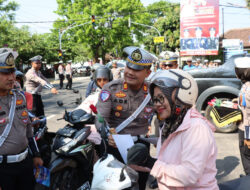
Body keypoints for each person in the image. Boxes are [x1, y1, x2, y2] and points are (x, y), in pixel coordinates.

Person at [128, 69, 218, 190]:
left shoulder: (196, 127)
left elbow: (189, 175)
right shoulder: (171, 123)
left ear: (181, 96)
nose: (157, 104)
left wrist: (151, 163)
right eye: (155, 100)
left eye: (161, 97)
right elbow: (172, 148)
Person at [96, 46, 157, 190]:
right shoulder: (110, 89)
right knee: (115, 184)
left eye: (136, 69)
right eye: (129, 67)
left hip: (140, 147)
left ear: (147, 73)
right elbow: (100, 119)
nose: (129, 72)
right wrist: (107, 134)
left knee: (140, 183)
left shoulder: (153, 91)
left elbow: (164, 117)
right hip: (115, 146)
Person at [0, 48, 43, 190]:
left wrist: (36, 155)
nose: (12, 77)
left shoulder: (20, 97)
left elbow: (28, 129)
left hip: (25, 163)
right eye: (5, 73)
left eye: (12, 72)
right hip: (3, 169)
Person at [235, 56, 250, 176]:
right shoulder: (246, 86)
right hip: (245, 127)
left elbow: (249, 116)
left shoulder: (248, 88)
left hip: (246, 129)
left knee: (246, 155)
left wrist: (247, 137)